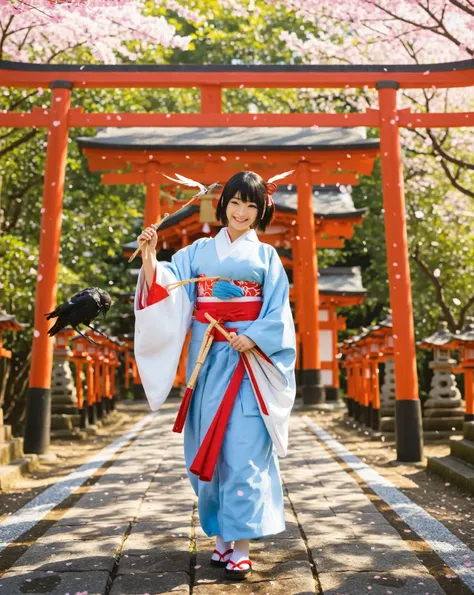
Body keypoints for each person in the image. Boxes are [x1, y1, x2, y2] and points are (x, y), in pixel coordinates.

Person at [134, 170, 296, 580]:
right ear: (223, 205)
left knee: (244, 452)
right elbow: (169, 290)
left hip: (249, 365)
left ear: (260, 212)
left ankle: (240, 545)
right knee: (208, 450)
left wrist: (255, 336)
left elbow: (278, 312)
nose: (242, 212)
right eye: (236, 203)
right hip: (207, 362)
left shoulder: (267, 258)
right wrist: (151, 255)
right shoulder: (197, 251)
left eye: (251, 206)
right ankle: (222, 538)